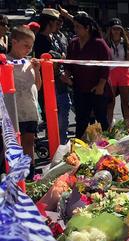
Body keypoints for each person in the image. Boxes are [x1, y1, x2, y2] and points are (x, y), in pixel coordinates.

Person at [63, 14, 112, 139]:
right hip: (80, 88)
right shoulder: (73, 43)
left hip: (97, 89)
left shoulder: (99, 43)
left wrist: (101, 85)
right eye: (75, 27)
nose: (75, 29)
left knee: (100, 117)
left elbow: (105, 65)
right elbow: (69, 64)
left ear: (87, 28)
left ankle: (107, 143)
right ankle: (80, 145)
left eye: (78, 27)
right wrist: (66, 75)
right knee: (81, 119)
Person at [7, 26, 41, 176]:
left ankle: (30, 174)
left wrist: (37, 70)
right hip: (13, 112)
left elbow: (37, 86)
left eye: (31, 46)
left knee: (29, 142)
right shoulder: (4, 63)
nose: (28, 49)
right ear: (14, 42)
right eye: (25, 45)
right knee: (14, 144)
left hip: (30, 110)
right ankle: (15, 175)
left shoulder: (29, 63)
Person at [34, 8, 71, 144]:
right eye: (56, 22)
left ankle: (61, 144)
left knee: (63, 114)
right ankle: (55, 146)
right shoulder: (39, 40)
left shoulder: (55, 37)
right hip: (48, 84)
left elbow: (62, 55)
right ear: (49, 22)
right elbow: (48, 60)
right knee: (53, 117)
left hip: (61, 83)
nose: (58, 24)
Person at [105, 18, 129, 127]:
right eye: (114, 29)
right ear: (110, 30)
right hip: (111, 73)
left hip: (124, 73)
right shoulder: (107, 43)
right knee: (110, 102)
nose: (116, 31)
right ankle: (109, 127)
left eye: (118, 29)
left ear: (121, 30)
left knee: (126, 102)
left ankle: (128, 126)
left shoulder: (126, 43)